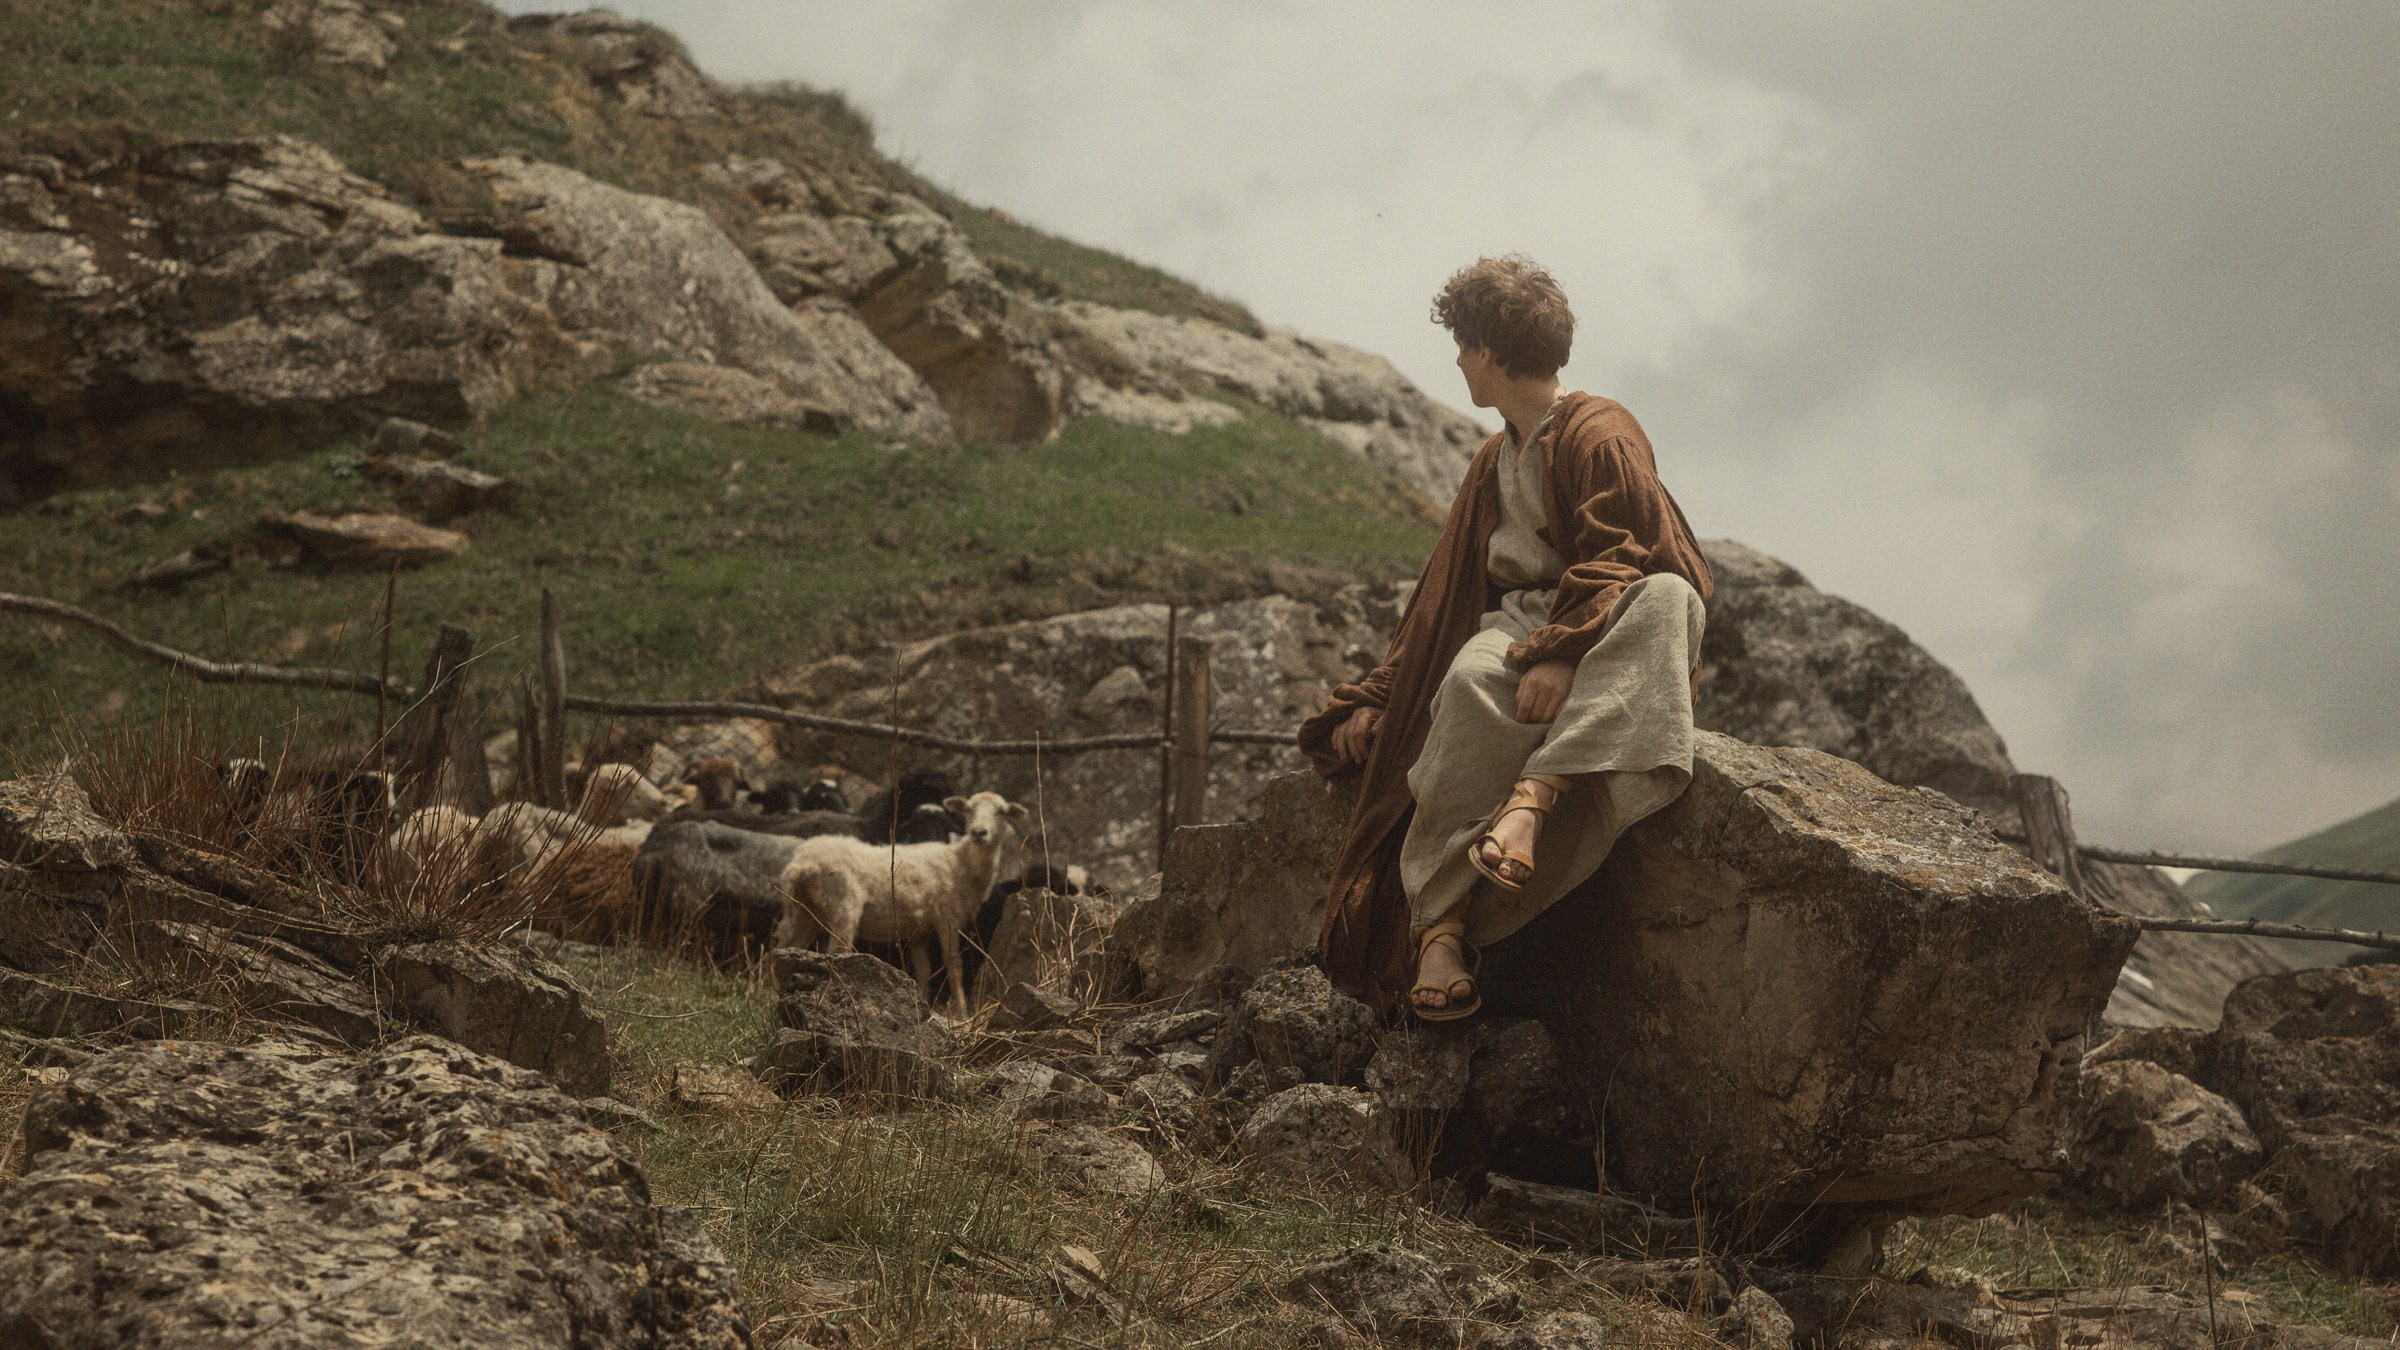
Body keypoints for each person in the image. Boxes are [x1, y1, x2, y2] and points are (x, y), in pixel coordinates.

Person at [1296, 255, 1714, 1020]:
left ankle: (1536, 795)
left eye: (1461, 346)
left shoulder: (1600, 431)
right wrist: (1384, 699)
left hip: (1610, 623)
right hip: (1520, 629)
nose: (1457, 361)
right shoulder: (1493, 458)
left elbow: (1626, 550)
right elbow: (1441, 605)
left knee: (1671, 602)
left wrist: (1563, 652)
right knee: (1462, 680)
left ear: (1487, 352)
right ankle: (1441, 929)